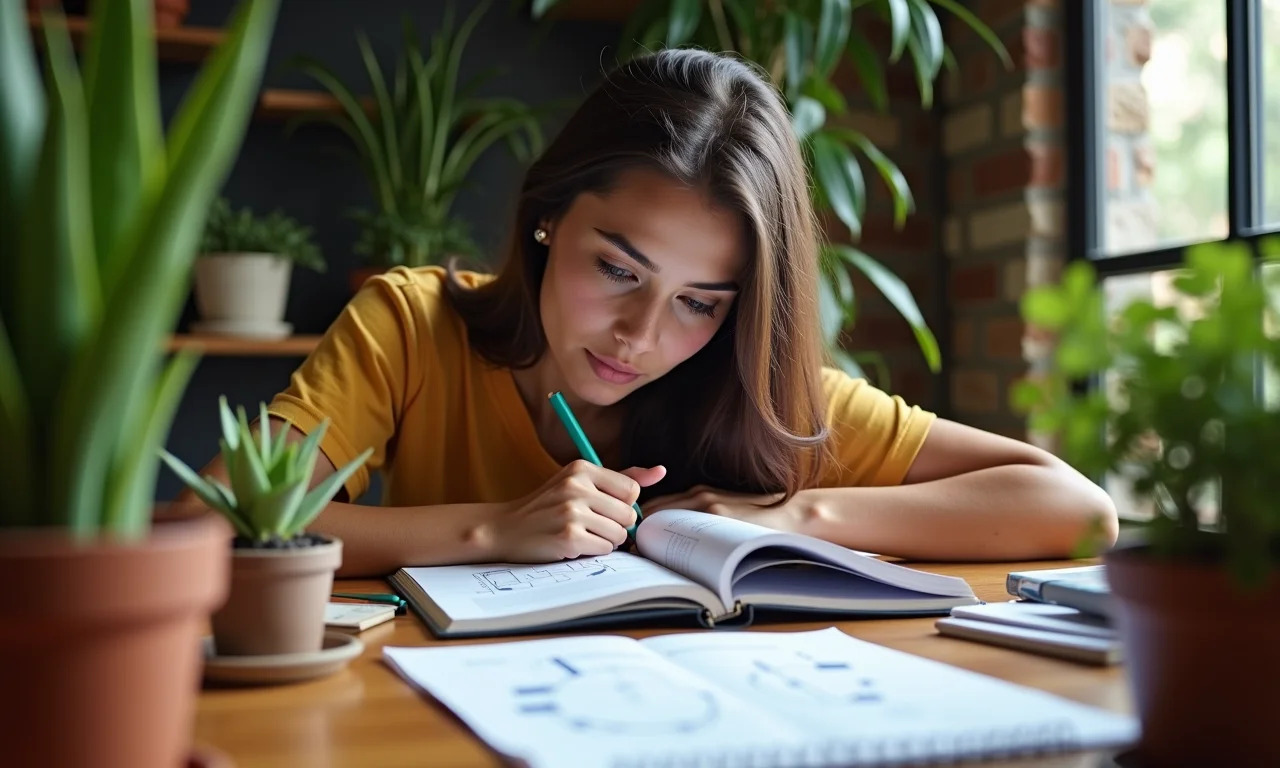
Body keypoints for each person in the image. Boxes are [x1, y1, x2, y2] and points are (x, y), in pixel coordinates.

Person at [178, 48, 1118, 577]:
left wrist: (799, 515)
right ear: (548, 218)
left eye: (700, 302)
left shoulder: (753, 383)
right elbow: (212, 526)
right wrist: (492, 530)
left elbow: (1078, 513)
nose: (642, 336)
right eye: (618, 270)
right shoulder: (412, 326)